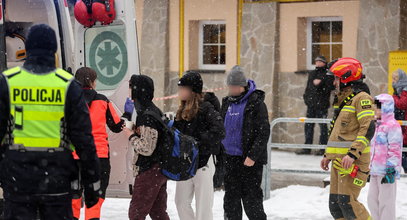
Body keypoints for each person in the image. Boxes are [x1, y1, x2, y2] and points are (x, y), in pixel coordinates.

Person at [0, 24, 100, 219]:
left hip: (18, 178)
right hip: (56, 178)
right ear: (54, 50)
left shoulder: (8, 82)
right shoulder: (67, 85)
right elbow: (84, 140)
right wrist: (92, 183)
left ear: (27, 49)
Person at [320, 57, 375, 220]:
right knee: (336, 205)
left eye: (337, 78)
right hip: (339, 161)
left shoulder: (362, 98)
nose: (334, 82)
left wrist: (352, 154)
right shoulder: (342, 98)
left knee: (348, 203)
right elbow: (337, 131)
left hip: (354, 161)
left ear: (346, 78)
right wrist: (327, 155)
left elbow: (368, 128)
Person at [72, 67, 124, 220]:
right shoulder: (102, 100)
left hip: (74, 158)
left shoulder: (68, 100)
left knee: (73, 197)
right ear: (93, 83)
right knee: (95, 198)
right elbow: (117, 126)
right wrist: (126, 114)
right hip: (97, 157)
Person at [174, 71, 225, 220]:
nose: (180, 92)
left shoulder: (206, 108)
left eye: (183, 88)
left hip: (204, 162)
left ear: (192, 91)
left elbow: (220, 131)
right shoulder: (182, 109)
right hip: (186, 163)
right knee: (180, 202)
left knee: (203, 207)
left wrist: (197, 142)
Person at [221, 65, 270, 220]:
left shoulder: (256, 103)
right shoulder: (227, 103)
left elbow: (263, 133)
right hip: (230, 159)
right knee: (231, 201)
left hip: (249, 161)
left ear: (243, 86)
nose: (232, 89)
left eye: (235, 86)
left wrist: (253, 156)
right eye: (230, 86)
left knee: (252, 201)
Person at [124, 75, 170, 220]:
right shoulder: (152, 111)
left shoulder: (147, 115)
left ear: (138, 90)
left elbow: (147, 148)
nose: (129, 91)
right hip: (159, 169)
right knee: (158, 213)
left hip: (149, 170)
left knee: (136, 214)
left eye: (131, 87)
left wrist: (131, 135)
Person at [368, 94, 402, 220]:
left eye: (377, 108)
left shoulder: (393, 126)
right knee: (372, 200)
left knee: (386, 202)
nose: (374, 110)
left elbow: (395, 149)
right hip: (375, 170)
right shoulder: (377, 126)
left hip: (387, 171)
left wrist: (391, 169)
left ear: (385, 108)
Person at [300, 55, 335, 155]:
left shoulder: (328, 74)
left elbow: (330, 87)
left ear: (324, 63)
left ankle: (322, 148)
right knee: (308, 126)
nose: (318, 63)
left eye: (320, 62)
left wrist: (321, 82)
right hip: (311, 105)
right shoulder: (312, 73)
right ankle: (307, 148)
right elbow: (308, 88)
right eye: (316, 61)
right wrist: (306, 99)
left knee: (323, 126)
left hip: (322, 105)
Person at [392, 69, 407, 173]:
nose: (393, 81)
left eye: (395, 78)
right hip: (402, 122)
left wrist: (393, 98)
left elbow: (402, 104)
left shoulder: (405, 89)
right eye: (393, 78)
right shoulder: (398, 89)